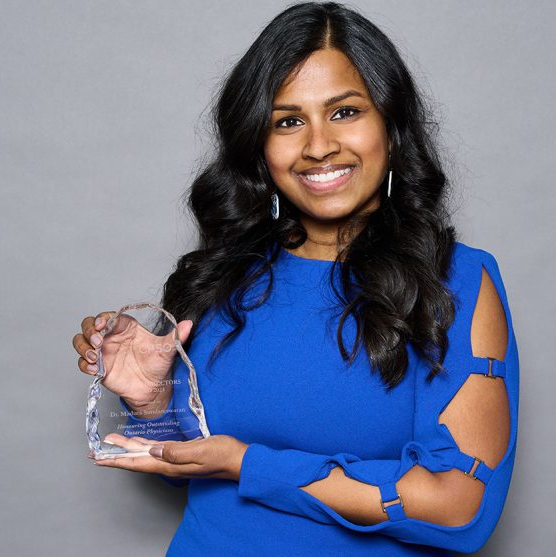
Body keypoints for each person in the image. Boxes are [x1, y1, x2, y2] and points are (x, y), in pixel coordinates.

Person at [71, 3, 519, 555]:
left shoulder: (455, 280)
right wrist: (152, 402)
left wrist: (249, 465)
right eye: (287, 121)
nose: (317, 145)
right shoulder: (222, 275)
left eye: (345, 112)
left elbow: (460, 508)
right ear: (259, 146)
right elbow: (188, 464)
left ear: (391, 125)